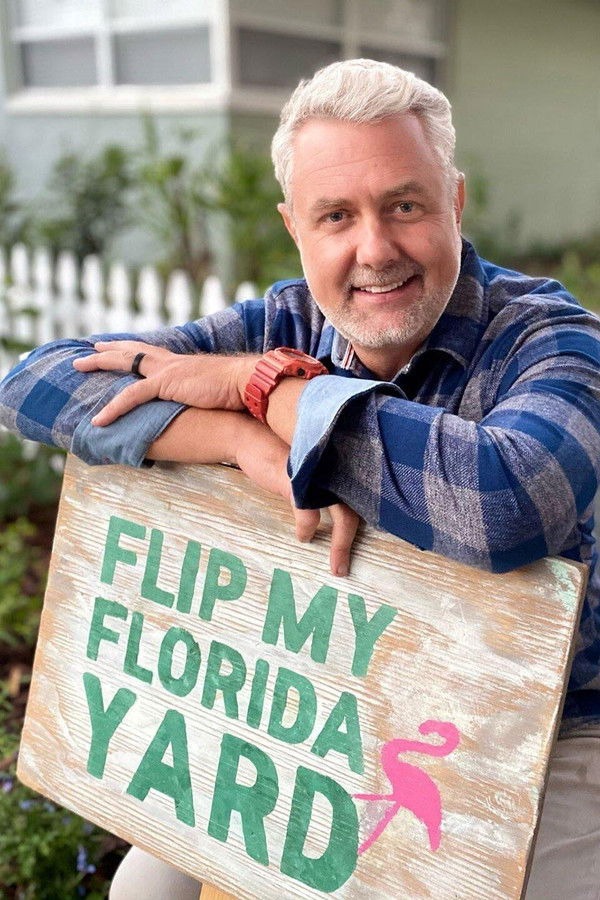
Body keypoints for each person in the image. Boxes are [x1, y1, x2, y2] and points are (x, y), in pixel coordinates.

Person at [1, 58, 600, 899]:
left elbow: (508, 501)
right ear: (295, 227)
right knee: (146, 889)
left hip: (547, 725)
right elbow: (35, 383)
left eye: (405, 205)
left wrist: (266, 388)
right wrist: (241, 441)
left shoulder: (552, 339)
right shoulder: (286, 317)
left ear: (455, 202)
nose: (374, 250)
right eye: (336, 216)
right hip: (327, 707)